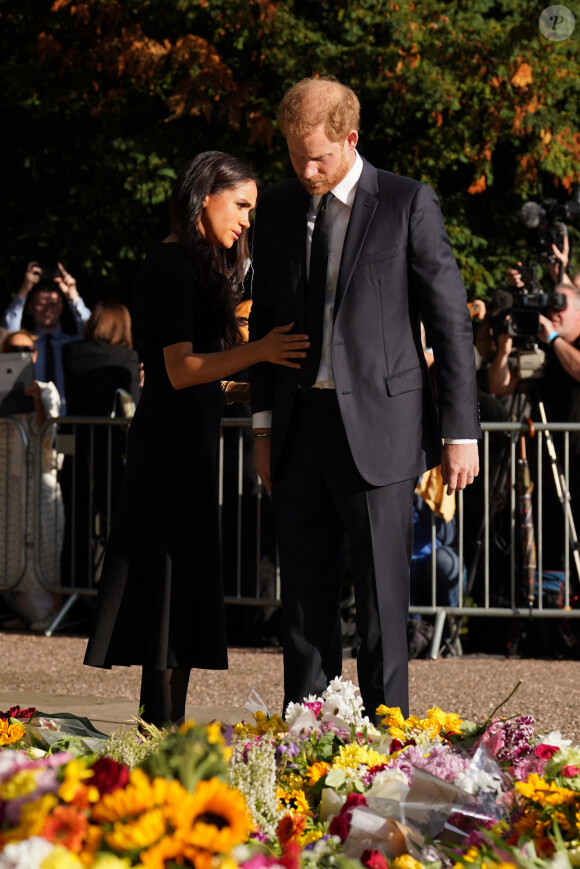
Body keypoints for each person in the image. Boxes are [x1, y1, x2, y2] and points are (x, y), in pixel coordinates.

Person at [248, 77, 480, 721]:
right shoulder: (276, 209)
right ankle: (307, 749)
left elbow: (451, 321)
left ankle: (386, 757)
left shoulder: (407, 202)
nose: (306, 169)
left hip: (382, 431)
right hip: (298, 429)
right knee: (302, 610)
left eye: (318, 157)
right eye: (295, 156)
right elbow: (265, 322)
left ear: (351, 139)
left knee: (381, 607)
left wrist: (461, 432)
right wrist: (263, 431)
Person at [83, 151, 310, 728]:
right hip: (167, 448)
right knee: (165, 586)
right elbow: (180, 370)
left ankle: (165, 724)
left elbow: (196, 376)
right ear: (204, 195)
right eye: (240, 205)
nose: (247, 221)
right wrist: (258, 351)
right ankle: (157, 724)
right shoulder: (168, 263)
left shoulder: (195, 265)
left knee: (180, 587)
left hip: (187, 440)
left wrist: (241, 387)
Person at [488, 282, 580, 565]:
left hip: (577, 458)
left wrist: (553, 339)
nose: (553, 312)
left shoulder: (558, 343)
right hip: (550, 462)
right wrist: (504, 351)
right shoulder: (544, 346)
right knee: (554, 537)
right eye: (549, 305)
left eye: (560, 305)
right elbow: (501, 386)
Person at [60, 301, 141, 591]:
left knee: (76, 521)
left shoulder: (71, 352)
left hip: (77, 448)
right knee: (115, 525)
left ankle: (74, 589)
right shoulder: (127, 358)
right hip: (112, 450)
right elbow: (130, 405)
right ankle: (109, 593)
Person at [0, 330, 63, 630]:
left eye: (26, 349)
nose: (20, 353)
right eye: (12, 349)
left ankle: (44, 610)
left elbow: (48, 436)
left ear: (35, 354)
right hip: (6, 481)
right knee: (8, 541)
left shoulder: (47, 388)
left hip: (37, 478)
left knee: (40, 542)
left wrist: (39, 401)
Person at [1, 263, 91, 413]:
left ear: (61, 308)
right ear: (30, 308)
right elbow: (7, 334)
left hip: (70, 419)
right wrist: (24, 290)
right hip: (31, 420)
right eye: (41, 304)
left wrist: (73, 297)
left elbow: (93, 333)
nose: (47, 310)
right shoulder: (25, 345)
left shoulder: (73, 345)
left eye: (53, 304)